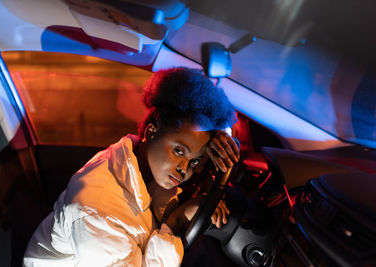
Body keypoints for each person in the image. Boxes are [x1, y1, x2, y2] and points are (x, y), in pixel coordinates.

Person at [23, 67, 239, 266]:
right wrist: (176, 222)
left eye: (195, 161)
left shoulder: (138, 161)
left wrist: (213, 136)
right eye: (179, 151)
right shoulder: (98, 212)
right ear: (151, 132)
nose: (185, 169)